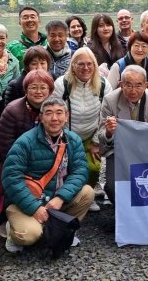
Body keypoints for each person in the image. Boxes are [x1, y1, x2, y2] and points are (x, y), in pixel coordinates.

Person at [1, 97, 94, 253]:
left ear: (67, 116)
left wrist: (61, 197)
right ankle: (13, 230)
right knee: (29, 235)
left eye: (59, 113)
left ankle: (61, 229)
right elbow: (11, 178)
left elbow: (80, 171)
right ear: (41, 117)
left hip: (55, 200)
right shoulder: (25, 142)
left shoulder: (73, 139)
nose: (54, 118)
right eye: (49, 113)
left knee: (87, 192)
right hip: (27, 202)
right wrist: (35, 208)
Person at [0, 69, 54, 238]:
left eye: (43, 87)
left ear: (50, 90)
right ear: (25, 89)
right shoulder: (13, 110)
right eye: (33, 87)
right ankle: (2, 219)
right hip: (1, 154)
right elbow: (6, 146)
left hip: (32, 154)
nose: (38, 91)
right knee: (13, 179)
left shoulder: (52, 108)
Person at [50, 48, 109, 212]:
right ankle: (67, 197)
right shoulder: (62, 83)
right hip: (68, 134)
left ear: (95, 66)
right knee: (68, 167)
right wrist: (61, 139)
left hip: (91, 133)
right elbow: (56, 112)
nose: (85, 68)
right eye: (80, 64)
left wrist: (97, 142)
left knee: (93, 167)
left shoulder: (103, 84)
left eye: (90, 64)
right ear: (73, 65)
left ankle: (87, 195)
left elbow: (106, 115)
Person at [100, 66, 148, 203]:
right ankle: (123, 215)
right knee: (112, 187)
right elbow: (101, 135)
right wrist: (109, 132)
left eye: (138, 85)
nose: (133, 91)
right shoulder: (110, 100)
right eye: (128, 85)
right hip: (118, 150)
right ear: (120, 84)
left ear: (146, 85)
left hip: (146, 151)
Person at [1, 46, 51, 113]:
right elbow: (10, 113)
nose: (39, 67)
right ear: (27, 66)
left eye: (42, 63)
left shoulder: (54, 81)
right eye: (34, 64)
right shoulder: (16, 85)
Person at [7, 7, 46, 71]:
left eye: (33, 17)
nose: (29, 20)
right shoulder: (11, 47)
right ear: (20, 23)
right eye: (25, 18)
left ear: (39, 21)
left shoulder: (49, 43)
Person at [88, 13, 126, 77]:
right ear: (95, 29)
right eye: (101, 26)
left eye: (108, 25)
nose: (106, 28)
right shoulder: (89, 49)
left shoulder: (122, 44)